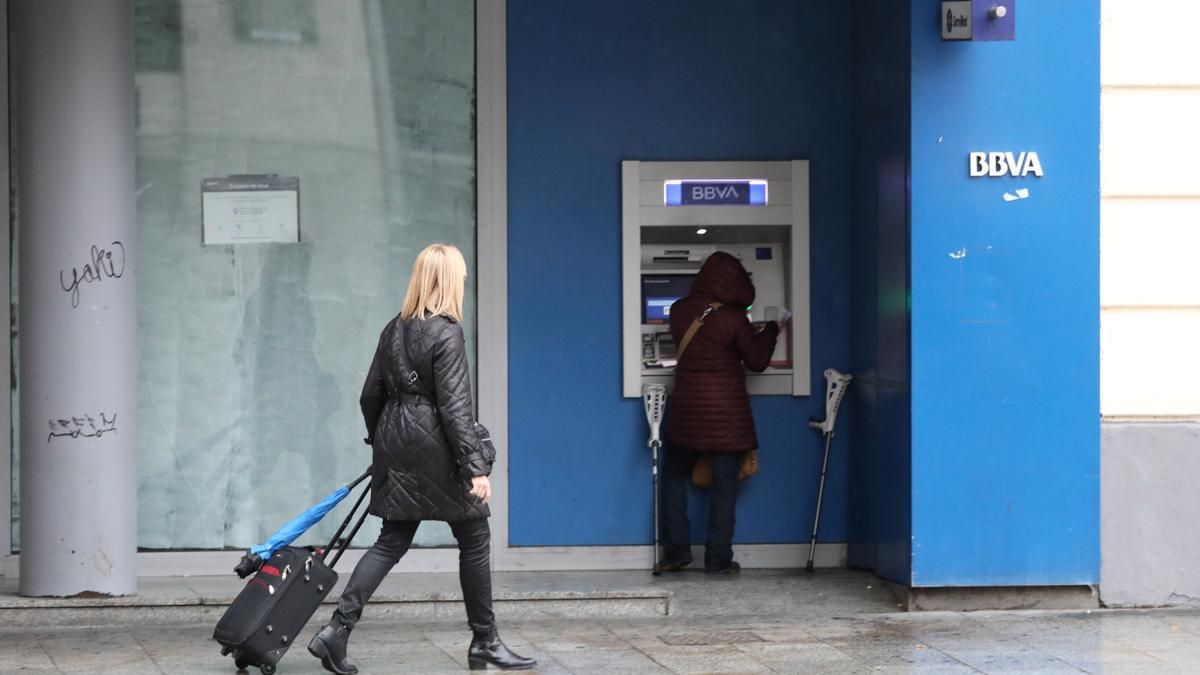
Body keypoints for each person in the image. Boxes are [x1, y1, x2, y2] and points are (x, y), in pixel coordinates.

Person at [308, 244, 535, 673]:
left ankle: (336, 631)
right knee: (474, 538)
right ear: (449, 280)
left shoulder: (393, 328)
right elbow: (454, 408)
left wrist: (384, 442)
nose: (465, 281)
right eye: (462, 275)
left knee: (391, 539)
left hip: (395, 439)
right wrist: (475, 468)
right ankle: (485, 641)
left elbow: (369, 395)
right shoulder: (447, 331)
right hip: (436, 446)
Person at [661, 251, 780, 574]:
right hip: (725, 417)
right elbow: (756, 361)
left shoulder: (678, 310)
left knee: (673, 478)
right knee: (724, 489)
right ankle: (717, 559)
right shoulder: (733, 318)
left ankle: (676, 552)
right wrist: (772, 330)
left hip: (687, 411)